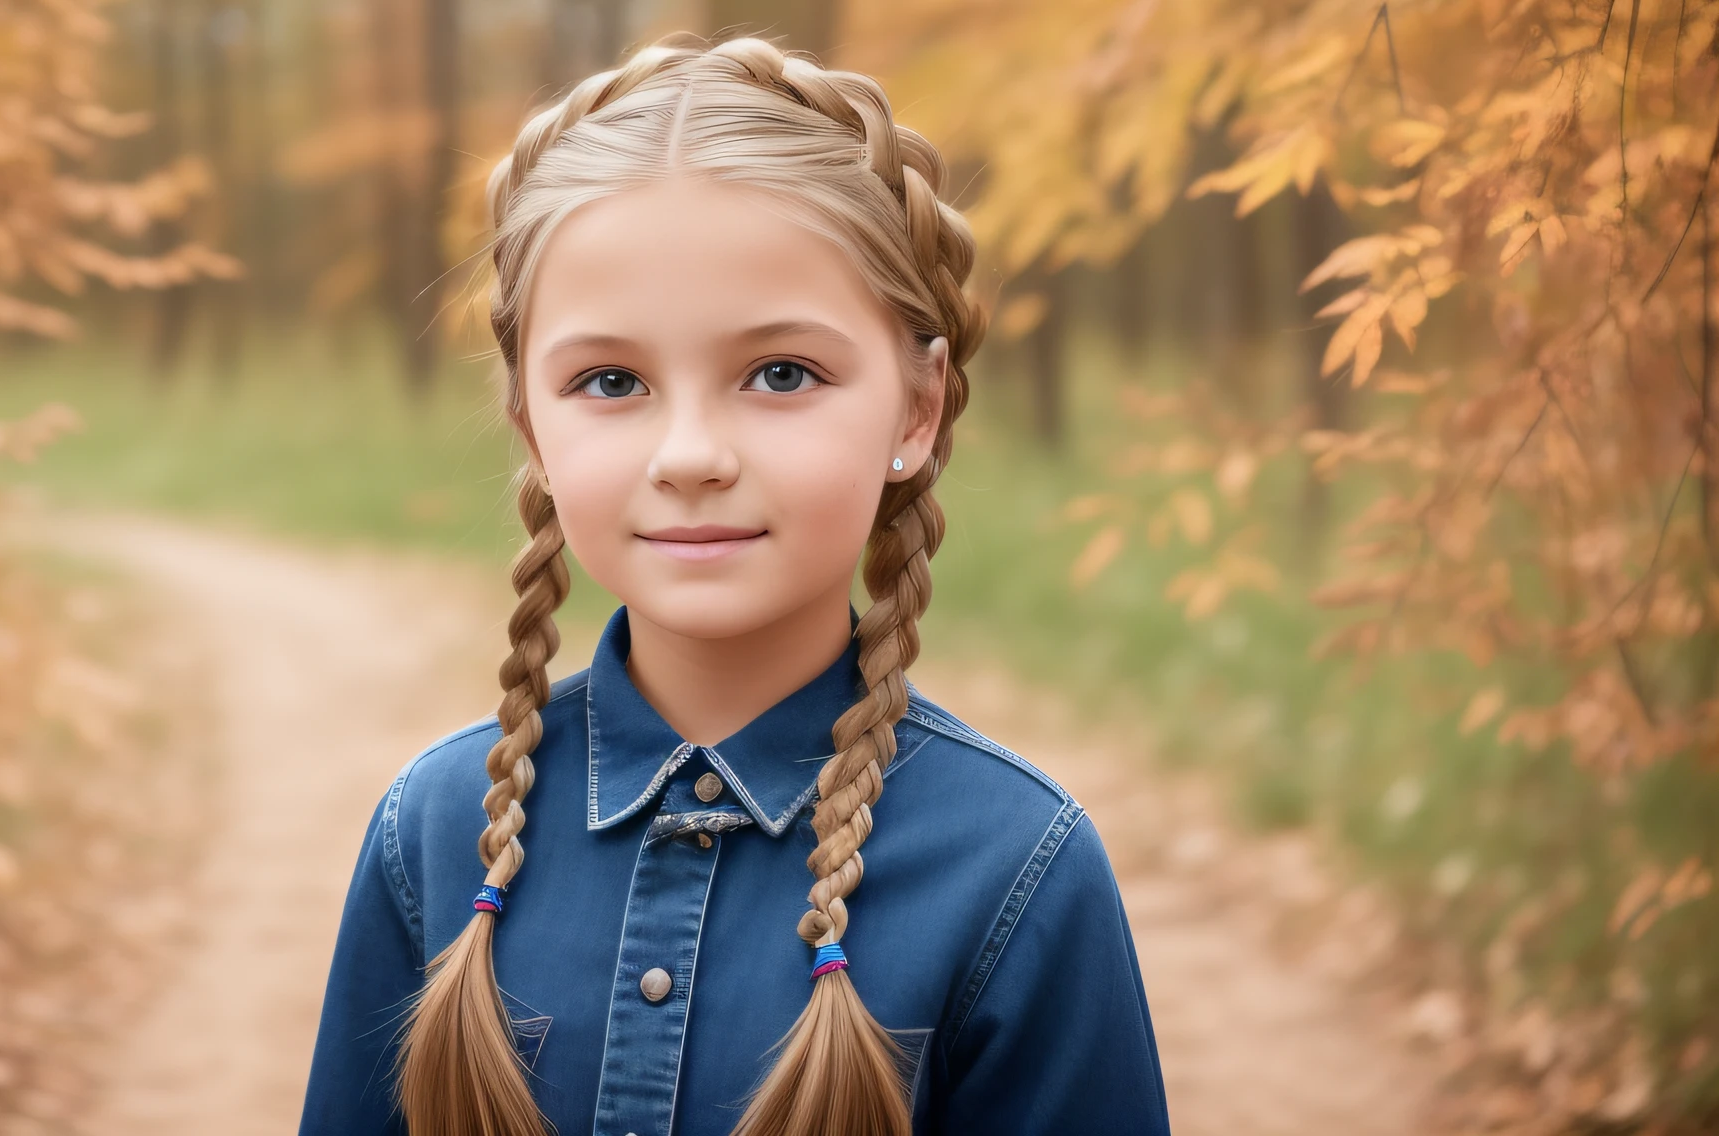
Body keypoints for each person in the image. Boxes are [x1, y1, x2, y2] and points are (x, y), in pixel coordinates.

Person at [296, 33, 1169, 1136]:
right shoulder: (431, 832)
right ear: (528, 418)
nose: (690, 452)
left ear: (916, 407)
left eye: (779, 373)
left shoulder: (1014, 869)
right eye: (610, 380)